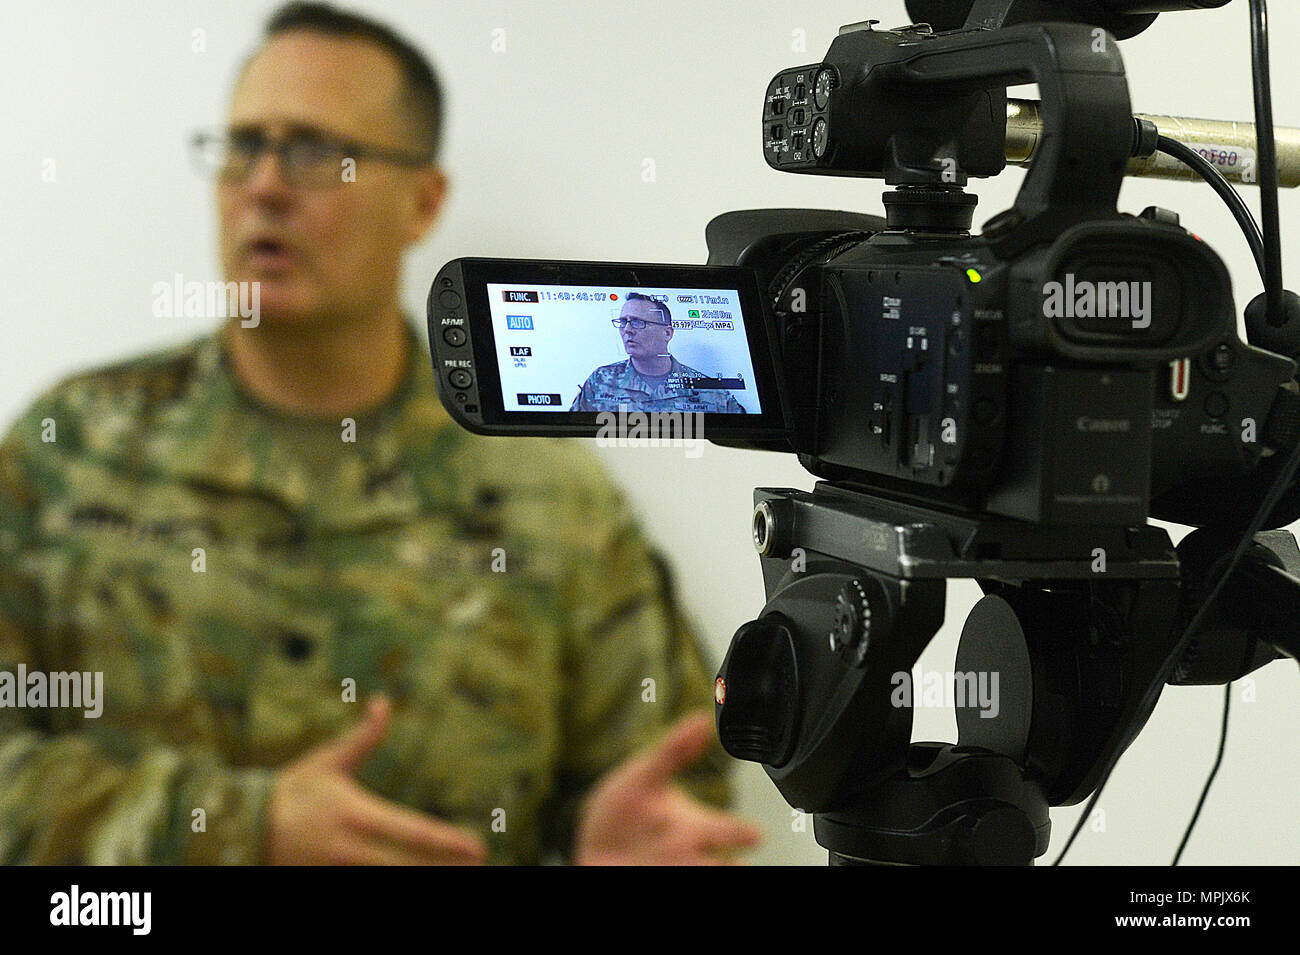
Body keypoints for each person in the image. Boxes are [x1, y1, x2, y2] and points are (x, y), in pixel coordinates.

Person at [0, 1, 761, 865]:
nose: (266, 185)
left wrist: (618, 849)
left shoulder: (548, 496)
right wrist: (239, 826)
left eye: (318, 153)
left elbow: (667, 784)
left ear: (423, 202)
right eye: (244, 147)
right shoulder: (69, 450)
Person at [569, 293, 747, 413]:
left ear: (667, 333)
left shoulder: (707, 389)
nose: (627, 330)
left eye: (638, 322)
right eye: (623, 322)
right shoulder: (601, 379)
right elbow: (570, 435)